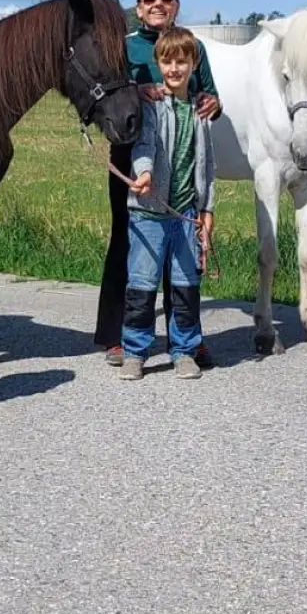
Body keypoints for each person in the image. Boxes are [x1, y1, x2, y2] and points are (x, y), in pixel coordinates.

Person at [95, 0, 221, 371]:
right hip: (134, 159)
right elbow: (109, 94)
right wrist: (137, 90)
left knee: (181, 261)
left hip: (183, 158)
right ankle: (119, 337)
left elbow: (210, 94)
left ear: (177, 5)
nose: (158, 3)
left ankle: (186, 341)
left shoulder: (193, 46)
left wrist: (212, 103)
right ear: (139, 6)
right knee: (131, 250)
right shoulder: (125, 47)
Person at [118, 28, 215, 381]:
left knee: (185, 286)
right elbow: (142, 146)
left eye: (182, 61)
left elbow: (208, 166)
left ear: (193, 63)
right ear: (158, 64)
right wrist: (143, 174)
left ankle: (185, 350)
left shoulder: (202, 111)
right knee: (142, 286)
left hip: (186, 215)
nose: (174, 68)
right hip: (148, 214)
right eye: (167, 61)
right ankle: (135, 351)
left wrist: (207, 211)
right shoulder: (153, 105)